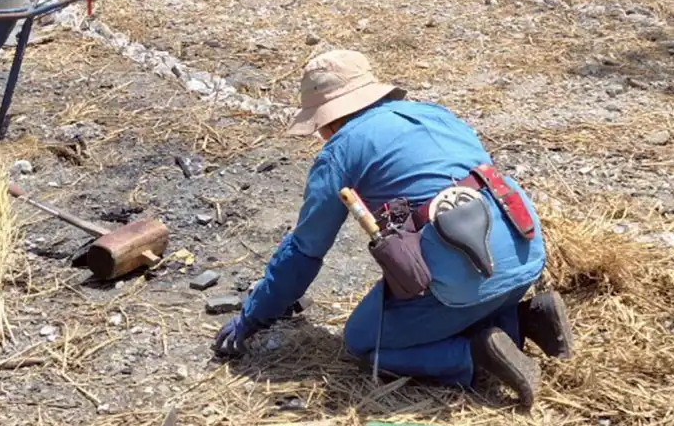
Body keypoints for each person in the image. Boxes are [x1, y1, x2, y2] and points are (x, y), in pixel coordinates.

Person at [213, 50, 572, 407]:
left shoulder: (339, 151)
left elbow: (304, 251)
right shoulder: (434, 113)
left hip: (462, 271)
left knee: (364, 342)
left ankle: (474, 356)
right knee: (464, 291)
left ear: (328, 119)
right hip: (524, 251)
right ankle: (526, 319)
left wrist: (252, 317)